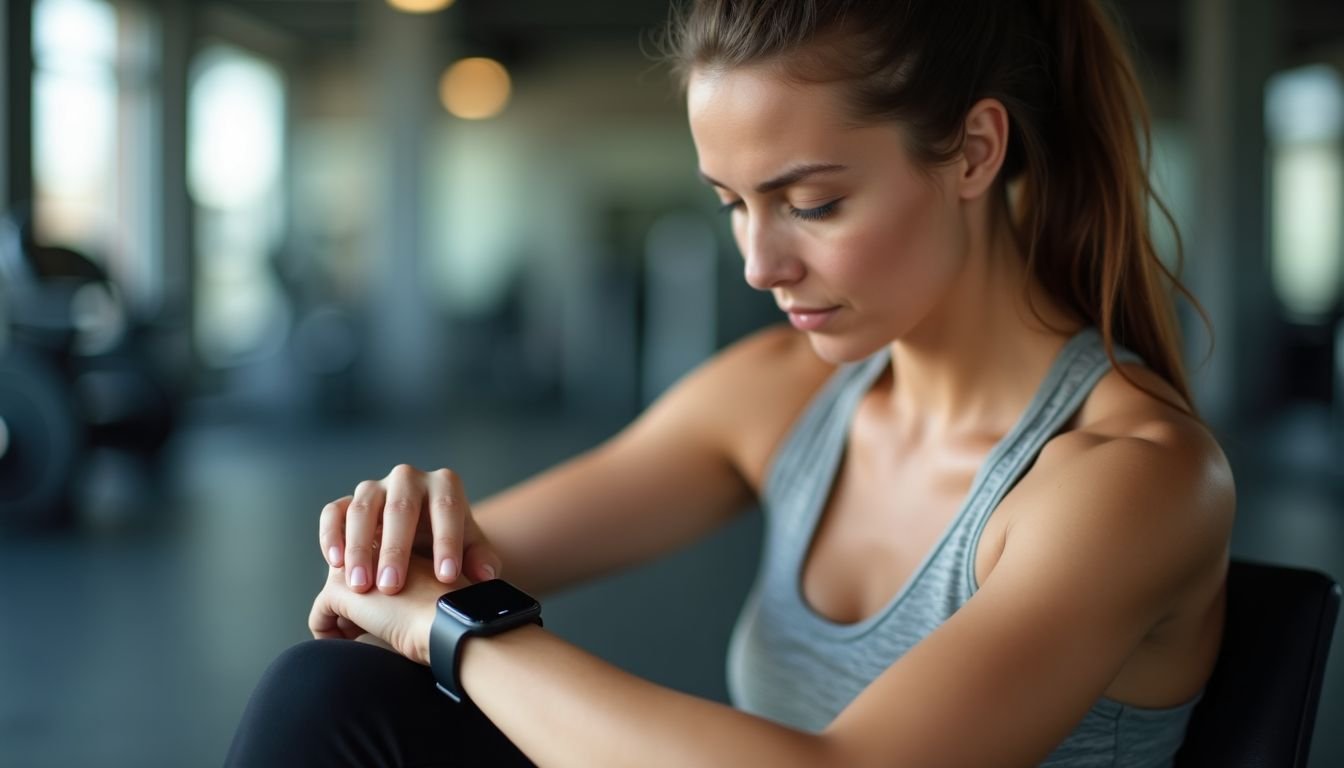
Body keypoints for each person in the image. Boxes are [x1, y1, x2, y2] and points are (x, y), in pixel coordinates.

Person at [226, 0, 1234, 765]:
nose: (760, 265)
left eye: (814, 203)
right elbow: (426, 577)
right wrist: (395, 544)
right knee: (332, 694)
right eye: (733, 206)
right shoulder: (784, 391)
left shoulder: (1134, 477)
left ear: (974, 152)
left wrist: (465, 634)